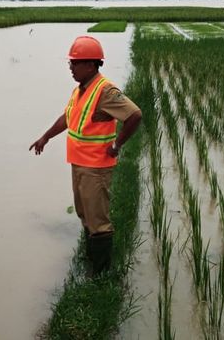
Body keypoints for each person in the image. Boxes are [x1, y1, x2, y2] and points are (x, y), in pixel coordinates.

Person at [29, 35, 142, 276]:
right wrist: (46, 137)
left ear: (90, 65)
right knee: (85, 213)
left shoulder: (105, 91)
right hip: (79, 164)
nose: (70, 67)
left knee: (98, 220)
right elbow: (68, 118)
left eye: (74, 63)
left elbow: (134, 115)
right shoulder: (80, 90)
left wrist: (117, 144)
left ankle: (99, 276)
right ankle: (90, 259)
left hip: (96, 167)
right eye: (70, 62)